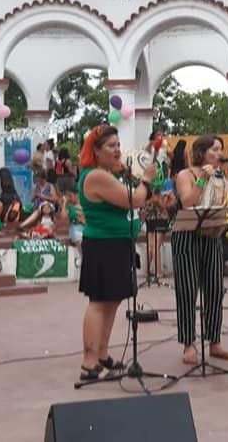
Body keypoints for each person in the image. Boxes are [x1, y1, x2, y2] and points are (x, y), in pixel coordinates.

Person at [77, 125, 156, 380]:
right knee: (99, 302)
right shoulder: (95, 176)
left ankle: (102, 354)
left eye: (118, 145)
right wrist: (146, 180)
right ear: (96, 151)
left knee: (111, 301)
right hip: (103, 245)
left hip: (116, 243)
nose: (117, 150)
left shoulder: (107, 174)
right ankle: (89, 363)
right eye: (111, 146)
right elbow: (132, 200)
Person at [171, 135, 228, 364]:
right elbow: (188, 202)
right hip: (187, 235)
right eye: (215, 149)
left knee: (214, 289)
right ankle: (189, 345)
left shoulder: (222, 177)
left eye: (221, 149)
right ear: (202, 153)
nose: (220, 154)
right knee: (188, 290)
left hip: (212, 234)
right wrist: (202, 180)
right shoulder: (185, 175)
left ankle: (214, 342)